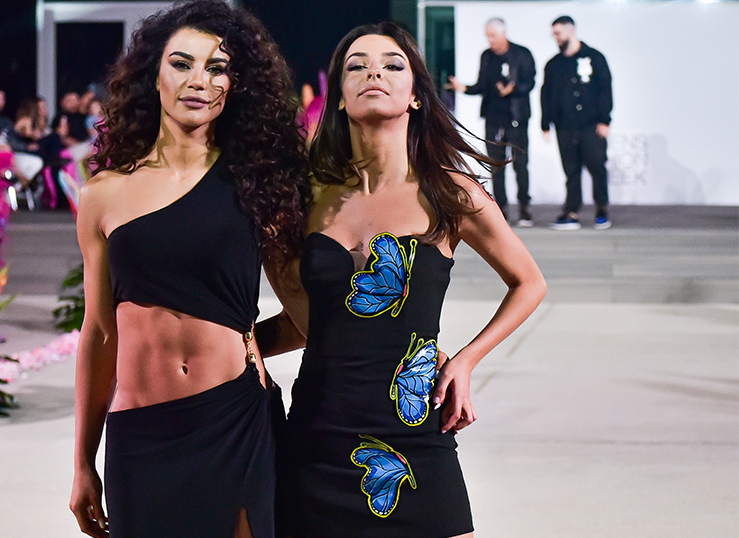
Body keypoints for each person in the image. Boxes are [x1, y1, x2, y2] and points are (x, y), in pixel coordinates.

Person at [258, 22, 547, 538]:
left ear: (415, 95)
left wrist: (465, 361)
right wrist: (227, 346)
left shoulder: (450, 191)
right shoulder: (302, 198)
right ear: (339, 96)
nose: (374, 72)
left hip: (416, 435)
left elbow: (529, 282)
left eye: (393, 65)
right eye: (357, 66)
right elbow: (307, 323)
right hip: (318, 436)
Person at [68, 1, 310, 537]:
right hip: (140, 436)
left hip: (237, 421)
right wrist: (83, 461)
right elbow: (99, 333)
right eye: (182, 63)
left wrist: (245, 342)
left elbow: (306, 314)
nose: (199, 80)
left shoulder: (257, 181)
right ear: (152, 73)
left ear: (235, 84)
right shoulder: (103, 194)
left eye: (217, 68)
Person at [448, 17, 536, 227]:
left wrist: (513, 89)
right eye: (488, 36)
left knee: (520, 164)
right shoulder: (487, 56)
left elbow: (530, 82)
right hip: (493, 118)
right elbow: (482, 85)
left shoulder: (521, 54)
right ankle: (501, 209)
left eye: (494, 35)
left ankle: (524, 208)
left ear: (504, 33)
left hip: (516, 118)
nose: (490, 40)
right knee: (496, 166)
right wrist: (465, 88)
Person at [541, 15, 613, 230]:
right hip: (564, 126)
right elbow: (546, 95)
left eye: (558, 33)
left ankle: (602, 210)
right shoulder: (554, 64)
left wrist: (605, 120)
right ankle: (571, 211)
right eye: (554, 34)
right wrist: (545, 123)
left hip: (591, 125)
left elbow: (605, 89)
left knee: (597, 166)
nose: (556, 37)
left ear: (570, 31)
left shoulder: (595, 58)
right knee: (571, 171)